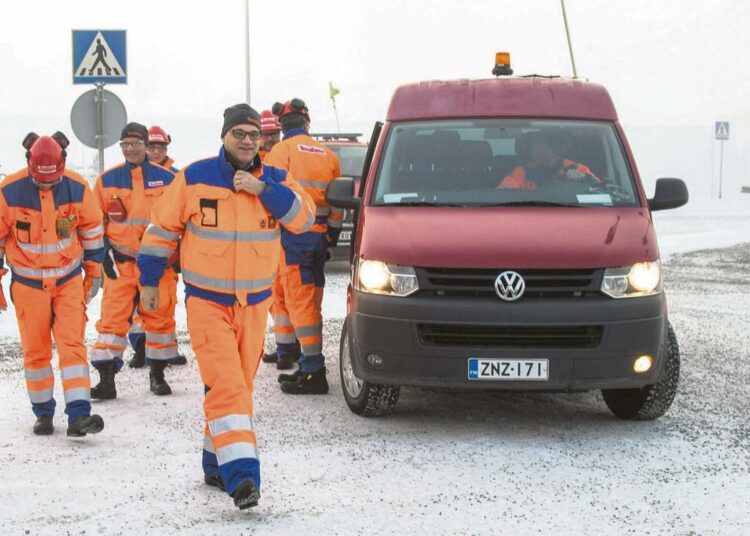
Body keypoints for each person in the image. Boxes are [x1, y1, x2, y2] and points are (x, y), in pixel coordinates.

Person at [137, 103, 314, 510]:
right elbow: (161, 229)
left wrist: (265, 192)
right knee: (229, 385)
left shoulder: (275, 178)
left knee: (236, 388)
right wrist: (149, 280)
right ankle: (242, 478)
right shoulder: (194, 178)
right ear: (224, 136)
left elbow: (303, 219)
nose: (247, 141)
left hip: (254, 305)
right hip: (207, 303)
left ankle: (214, 464)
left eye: (253, 134)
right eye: (239, 133)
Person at [0, 132, 105, 437]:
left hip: (67, 282)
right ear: (29, 167)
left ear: (62, 166)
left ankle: (79, 416)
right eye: (41, 181)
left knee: (73, 346)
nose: (46, 185)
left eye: (51, 180)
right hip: (28, 286)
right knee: (36, 352)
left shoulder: (77, 187)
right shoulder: (9, 192)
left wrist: (93, 269)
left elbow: (92, 230)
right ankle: (43, 413)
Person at [90, 123, 179, 400]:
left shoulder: (169, 179)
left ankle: (158, 375)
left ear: (145, 144)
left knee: (160, 320)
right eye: (125, 144)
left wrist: (177, 255)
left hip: (157, 265)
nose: (130, 148)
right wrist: (101, 254)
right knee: (111, 322)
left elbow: (180, 219)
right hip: (121, 264)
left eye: (135, 143)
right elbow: (95, 222)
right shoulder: (106, 180)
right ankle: (106, 380)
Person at [263, 98, 342, 392]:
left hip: (293, 236)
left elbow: (270, 194)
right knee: (311, 302)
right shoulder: (328, 155)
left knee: (301, 304)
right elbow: (336, 206)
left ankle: (313, 372)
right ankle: (309, 365)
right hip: (318, 236)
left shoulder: (280, 152)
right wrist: (331, 236)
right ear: (307, 123)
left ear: (283, 126)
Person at [129, 124, 186, 368]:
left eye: (160, 146)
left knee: (165, 304)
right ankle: (140, 347)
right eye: (152, 146)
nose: (156, 151)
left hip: (167, 256)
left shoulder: (176, 177)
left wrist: (181, 252)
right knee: (137, 307)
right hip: (135, 255)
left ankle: (165, 352)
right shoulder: (133, 176)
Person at [498, 133, 599, 190]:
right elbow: (503, 192)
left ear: (549, 147)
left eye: (536, 145)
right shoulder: (523, 171)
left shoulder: (576, 168)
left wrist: (584, 178)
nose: (532, 149)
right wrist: (507, 190)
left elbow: (600, 189)